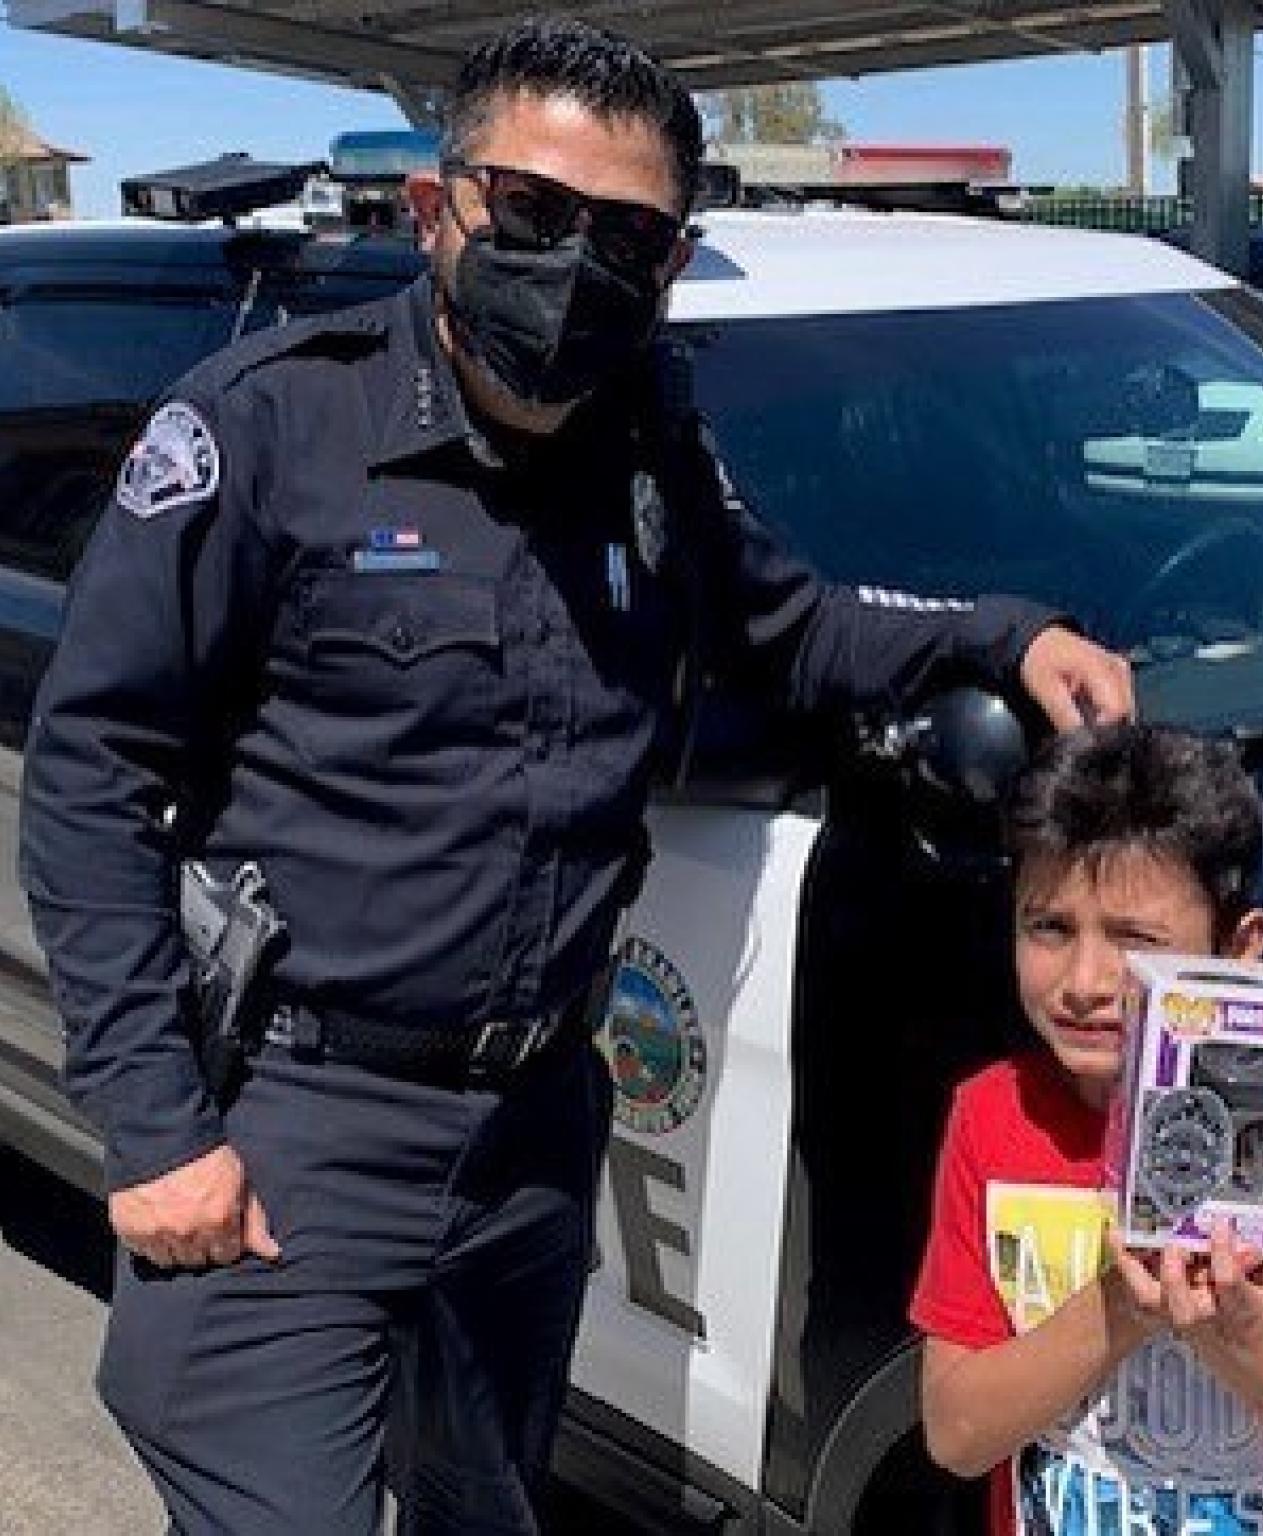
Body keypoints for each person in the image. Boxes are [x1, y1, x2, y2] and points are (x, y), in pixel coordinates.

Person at [18, 16, 1134, 1536]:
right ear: (439, 210)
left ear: (670, 263)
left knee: (488, 1506)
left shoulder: (646, 447)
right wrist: (157, 1133)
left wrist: (1018, 634)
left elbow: (788, 631)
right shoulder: (271, 425)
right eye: (534, 214)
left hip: (536, 1130)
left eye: (627, 236)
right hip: (293, 1119)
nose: (576, 263)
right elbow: (92, 779)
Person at [909, 723, 1263, 1535]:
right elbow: (955, 1435)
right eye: (1048, 927)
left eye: (1134, 940)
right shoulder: (993, 1116)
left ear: (1240, 949)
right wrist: (1129, 1306)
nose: (1085, 982)